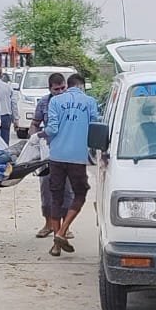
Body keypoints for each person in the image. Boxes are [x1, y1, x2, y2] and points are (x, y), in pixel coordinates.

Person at [44, 73, 99, 256]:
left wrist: (44, 135)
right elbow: (95, 127)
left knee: (56, 197)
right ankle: (62, 231)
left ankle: (56, 245)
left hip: (57, 156)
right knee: (80, 194)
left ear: (68, 86)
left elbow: (52, 128)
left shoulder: (55, 101)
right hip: (78, 157)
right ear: (82, 86)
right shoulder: (90, 101)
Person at [30, 72, 72, 238]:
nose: (60, 92)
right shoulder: (43, 103)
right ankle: (48, 224)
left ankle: (65, 227)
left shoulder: (72, 103)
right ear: (50, 89)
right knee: (47, 187)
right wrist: (35, 140)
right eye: (56, 89)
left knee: (67, 190)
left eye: (63, 88)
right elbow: (34, 124)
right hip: (48, 153)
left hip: (68, 152)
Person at [0, 68, 16, 144]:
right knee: (5, 141)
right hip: (6, 116)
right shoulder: (8, 87)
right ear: (1, 75)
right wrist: (16, 118)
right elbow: (13, 103)